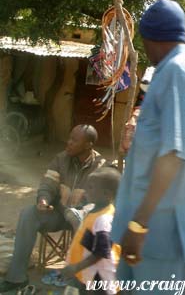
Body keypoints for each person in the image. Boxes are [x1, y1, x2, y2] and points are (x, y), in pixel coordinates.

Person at [111, 0, 185, 293]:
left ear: (150, 38)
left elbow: (173, 154)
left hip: (160, 231)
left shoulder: (177, 72)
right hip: (158, 229)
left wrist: (138, 225)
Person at [0, 125, 106, 292]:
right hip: (58, 214)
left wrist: (81, 211)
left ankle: (80, 281)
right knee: (28, 214)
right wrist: (43, 199)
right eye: (69, 138)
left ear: (88, 145)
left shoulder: (100, 166)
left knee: (90, 222)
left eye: (74, 140)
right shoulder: (61, 159)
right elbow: (48, 184)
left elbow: (99, 202)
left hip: (82, 220)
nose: (69, 143)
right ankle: (16, 278)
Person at [62, 167, 122, 294]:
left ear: (106, 194)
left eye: (91, 187)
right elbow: (88, 242)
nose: (86, 191)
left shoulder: (104, 219)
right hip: (88, 274)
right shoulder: (93, 211)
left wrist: (76, 267)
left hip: (100, 278)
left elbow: (101, 252)